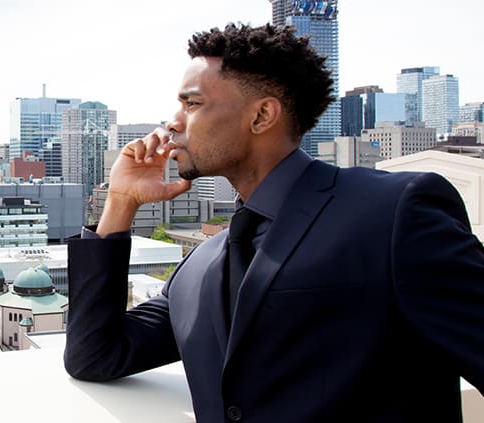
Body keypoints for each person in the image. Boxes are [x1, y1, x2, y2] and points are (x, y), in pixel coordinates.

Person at [64, 23, 484, 422]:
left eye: (192, 103)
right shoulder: (200, 267)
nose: (173, 122)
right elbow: (96, 355)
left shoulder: (394, 212)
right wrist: (120, 204)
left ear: (262, 116)